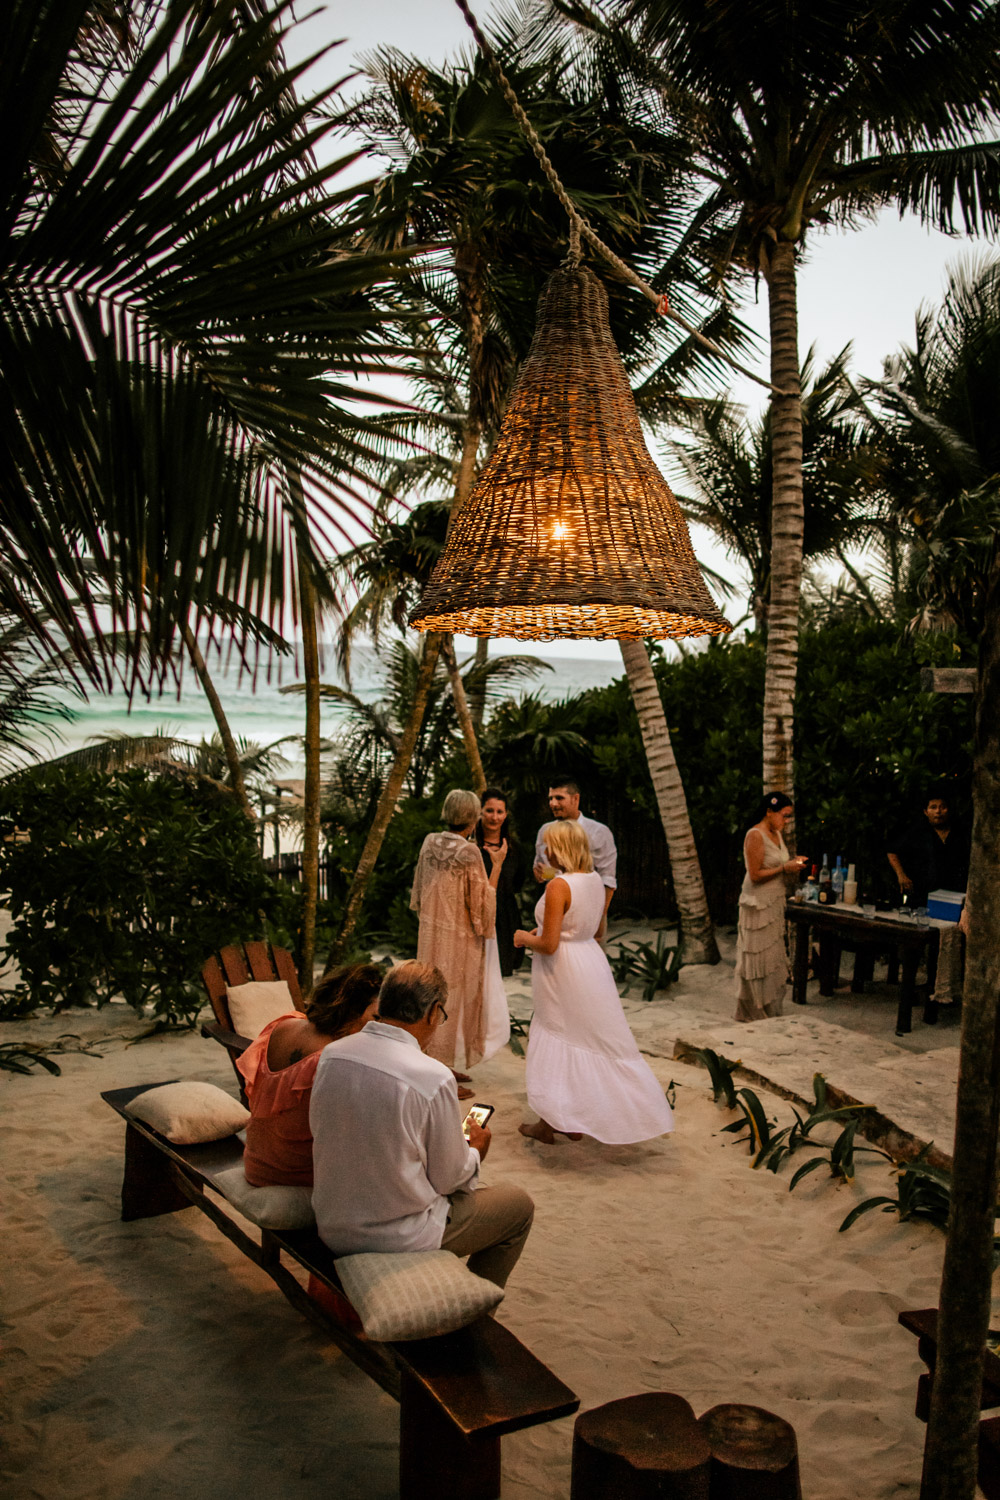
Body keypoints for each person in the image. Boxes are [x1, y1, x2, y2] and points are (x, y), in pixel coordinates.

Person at [310, 961, 535, 1288]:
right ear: (433, 1013)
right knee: (518, 1207)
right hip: (395, 1234)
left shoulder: (333, 1055)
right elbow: (449, 1179)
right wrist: (475, 1151)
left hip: (332, 1223)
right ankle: (468, 1315)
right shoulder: (431, 1076)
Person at [514, 819, 674, 1146]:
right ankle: (563, 1119)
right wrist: (547, 933)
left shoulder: (558, 886)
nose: (544, 851)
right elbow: (596, 931)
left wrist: (522, 937)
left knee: (558, 1035)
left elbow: (550, 944)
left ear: (561, 848)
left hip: (561, 970)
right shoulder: (594, 880)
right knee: (585, 1038)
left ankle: (552, 1123)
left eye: (548, 845)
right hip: (589, 963)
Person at [236, 964, 383, 1186]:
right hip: (295, 1177)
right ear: (351, 1010)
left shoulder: (283, 1024)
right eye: (377, 1016)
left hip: (257, 1165)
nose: (380, 1025)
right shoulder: (334, 1060)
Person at [411, 789, 510, 1090]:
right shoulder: (469, 852)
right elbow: (482, 904)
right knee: (451, 1000)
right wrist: (498, 865)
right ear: (472, 817)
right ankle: (440, 1073)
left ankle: (437, 1066)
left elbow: (418, 891)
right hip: (458, 940)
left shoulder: (430, 842)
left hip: (430, 935)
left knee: (430, 997)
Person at [735, 792, 808, 1023]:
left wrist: (793, 864)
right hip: (757, 902)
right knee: (757, 955)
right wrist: (784, 869)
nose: (786, 821)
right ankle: (753, 1010)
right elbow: (755, 875)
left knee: (772, 955)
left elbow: (778, 862)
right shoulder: (755, 835)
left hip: (774, 901)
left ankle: (771, 1009)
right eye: (784, 816)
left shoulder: (776, 833)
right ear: (769, 812)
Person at [533, 777, 617, 939]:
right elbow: (544, 873)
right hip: (553, 910)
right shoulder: (545, 831)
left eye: (559, 798)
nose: (553, 803)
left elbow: (608, 879)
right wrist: (542, 874)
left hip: (588, 912)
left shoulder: (598, 832)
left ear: (575, 799)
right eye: (550, 798)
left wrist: (599, 917)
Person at [887, 786, 970, 906]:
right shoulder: (917, 832)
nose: (938, 811)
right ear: (926, 812)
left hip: (953, 895)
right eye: (933, 807)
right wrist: (901, 875)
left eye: (942, 807)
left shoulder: (959, 833)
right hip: (922, 894)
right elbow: (892, 851)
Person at [475, 786, 527, 976]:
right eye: (489, 811)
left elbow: (518, 883)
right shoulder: (471, 848)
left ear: (506, 815)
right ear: (480, 812)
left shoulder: (514, 849)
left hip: (506, 918)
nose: (494, 817)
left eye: (499, 812)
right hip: (478, 918)